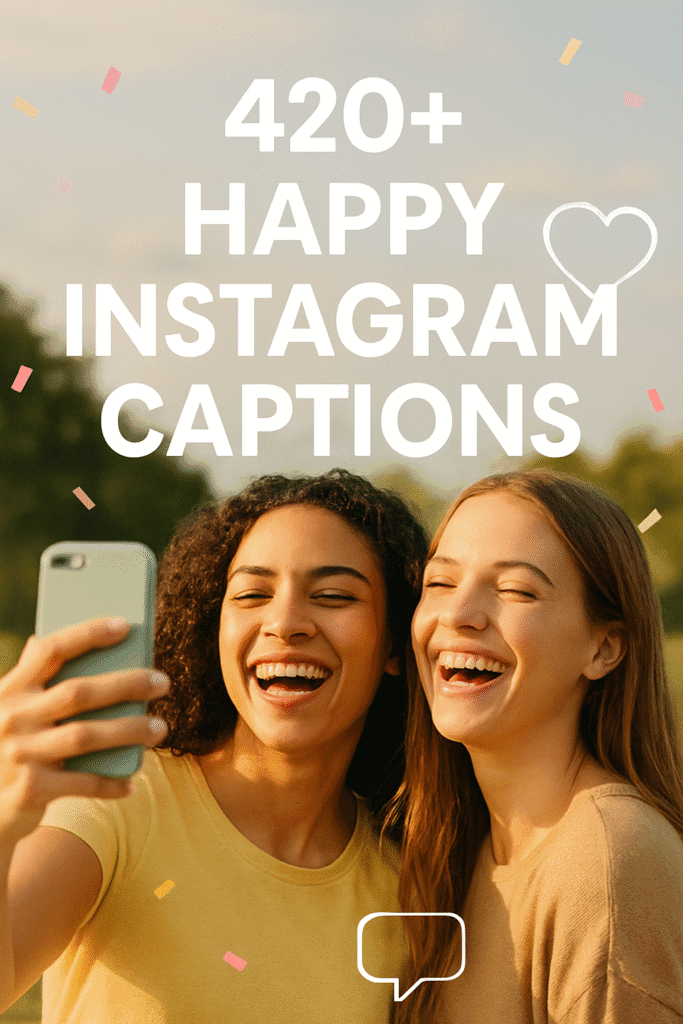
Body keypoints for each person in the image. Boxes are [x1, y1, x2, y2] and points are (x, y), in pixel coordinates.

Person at [0, 470, 427, 1024]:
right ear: (213, 625)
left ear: (396, 643)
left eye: (333, 596)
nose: (285, 622)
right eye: (251, 594)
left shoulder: (404, 886)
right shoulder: (120, 802)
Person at [389, 469, 683, 1023]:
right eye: (440, 584)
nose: (458, 615)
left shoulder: (608, 862)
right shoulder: (456, 852)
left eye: (516, 591)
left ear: (604, 648)